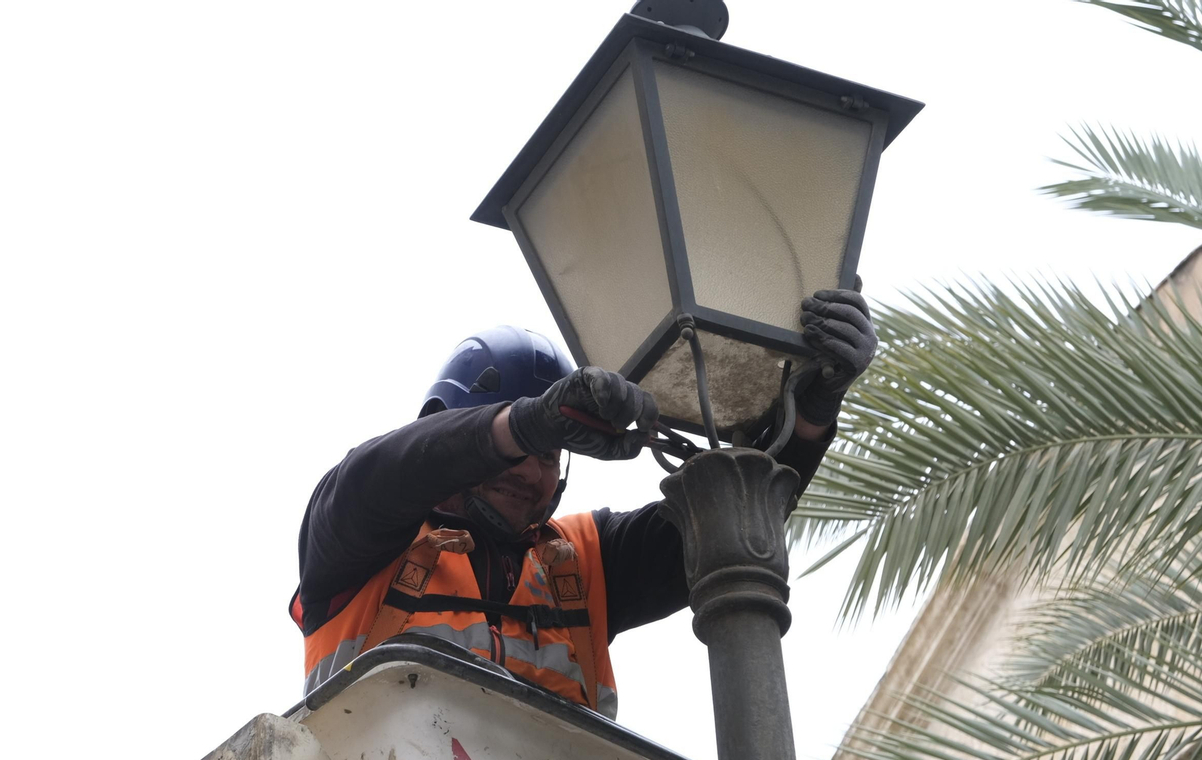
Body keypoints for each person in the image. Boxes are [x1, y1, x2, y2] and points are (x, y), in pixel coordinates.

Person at [289, 289, 878, 718]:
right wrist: (526, 423)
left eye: (550, 454)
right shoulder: (359, 543)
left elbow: (732, 523)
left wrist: (811, 414)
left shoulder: (578, 563)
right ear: (453, 431)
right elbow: (377, 477)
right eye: (518, 450)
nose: (531, 471)